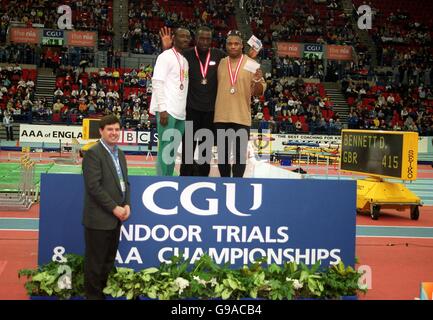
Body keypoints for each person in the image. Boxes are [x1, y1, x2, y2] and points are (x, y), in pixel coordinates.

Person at [159, 27, 258, 176]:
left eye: (207, 39)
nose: (204, 42)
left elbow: (237, 60)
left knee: (205, 151)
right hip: (191, 110)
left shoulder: (219, 56)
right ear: (196, 39)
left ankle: (204, 179)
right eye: (201, 39)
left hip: (211, 112)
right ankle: (185, 178)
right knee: (188, 150)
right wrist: (167, 48)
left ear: (211, 41)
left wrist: (250, 57)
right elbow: (171, 59)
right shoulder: (186, 54)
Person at [81, 115, 131, 300]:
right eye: (110, 129)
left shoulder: (120, 153)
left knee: (107, 263)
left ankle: (100, 295)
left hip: (115, 219)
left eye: (117, 129)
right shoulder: (94, 153)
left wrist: (127, 204)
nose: (114, 133)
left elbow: (125, 183)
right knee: (95, 264)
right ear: (101, 131)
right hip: (99, 219)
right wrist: (114, 208)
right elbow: (93, 187)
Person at [214, 30, 266, 177]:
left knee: (239, 155)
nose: (233, 46)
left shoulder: (251, 64)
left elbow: (259, 91)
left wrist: (256, 80)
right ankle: (224, 182)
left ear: (242, 45)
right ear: (226, 46)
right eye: (230, 44)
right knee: (222, 155)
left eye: (236, 43)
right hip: (221, 116)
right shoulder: (221, 63)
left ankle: (238, 184)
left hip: (242, 117)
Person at [150, 27, 191, 176]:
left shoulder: (185, 61)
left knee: (173, 150)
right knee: (165, 147)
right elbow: (157, 82)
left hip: (180, 112)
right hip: (167, 110)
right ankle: (160, 180)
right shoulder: (165, 56)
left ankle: (169, 179)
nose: (185, 39)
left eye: (188, 37)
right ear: (174, 37)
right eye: (182, 36)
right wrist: (162, 109)